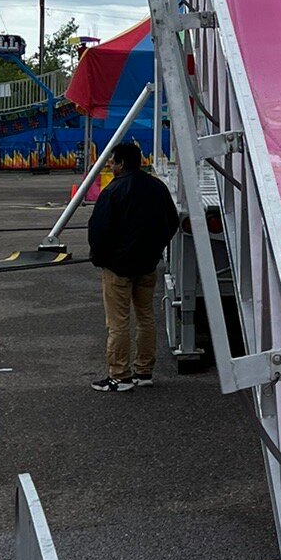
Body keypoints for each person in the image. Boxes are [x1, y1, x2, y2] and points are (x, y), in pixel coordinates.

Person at [87, 139, 180, 392]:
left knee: (118, 323)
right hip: (147, 263)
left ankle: (119, 375)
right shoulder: (157, 188)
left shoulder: (114, 191)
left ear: (121, 163)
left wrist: (100, 257)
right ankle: (144, 370)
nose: (111, 165)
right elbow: (171, 222)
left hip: (118, 267)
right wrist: (155, 249)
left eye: (113, 161)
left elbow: (98, 230)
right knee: (146, 318)